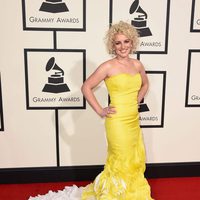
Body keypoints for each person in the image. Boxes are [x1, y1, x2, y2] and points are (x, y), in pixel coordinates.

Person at [28, 21, 153, 200]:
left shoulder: (137, 65)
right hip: (117, 122)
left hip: (133, 120)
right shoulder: (107, 67)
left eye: (126, 41)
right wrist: (101, 110)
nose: (122, 46)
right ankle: (115, 194)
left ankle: (130, 193)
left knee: (134, 157)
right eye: (118, 43)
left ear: (132, 42)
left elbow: (146, 83)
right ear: (113, 45)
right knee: (120, 158)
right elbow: (86, 87)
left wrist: (137, 99)